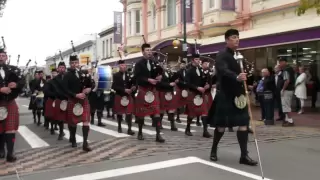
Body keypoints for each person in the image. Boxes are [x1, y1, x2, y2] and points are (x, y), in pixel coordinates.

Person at [209, 29, 257, 166]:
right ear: (227, 40)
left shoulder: (237, 56)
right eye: (234, 37)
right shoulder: (221, 55)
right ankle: (213, 150)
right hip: (225, 95)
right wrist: (236, 76)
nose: (237, 40)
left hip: (238, 96)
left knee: (243, 124)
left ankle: (244, 156)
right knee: (221, 127)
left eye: (238, 37)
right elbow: (223, 70)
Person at [133, 43, 164, 142]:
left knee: (157, 113)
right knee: (141, 114)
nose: (149, 52)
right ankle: (140, 132)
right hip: (143, 89)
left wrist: (159, 77)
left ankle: (158, 135)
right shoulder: (138, 64)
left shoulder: (154, 63)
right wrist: (148, 80)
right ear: (143, 52)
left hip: (153, 90)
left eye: (150, 50)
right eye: (147, 50)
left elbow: (157, 74)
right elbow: (137, 77)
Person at [62, 54, 93, 151]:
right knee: (73, 122)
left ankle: (85, 143)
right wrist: (75, 95)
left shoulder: (83, 72)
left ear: (78, 63)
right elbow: (65, 89)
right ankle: (73, 138)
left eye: (76, 62)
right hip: (73, 99)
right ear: (70, 64)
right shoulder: (67, 75)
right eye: (72, 63)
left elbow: (91, 83)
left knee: (86, 121)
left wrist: (89, 88)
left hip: (84, 99)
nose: (74, 65)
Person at [0, 47, 25, 162]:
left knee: (10, 128)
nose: (1, 57)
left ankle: (10, 152)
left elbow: (22, 80)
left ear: (6, 57)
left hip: (10, 101)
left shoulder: (14, 69)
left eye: (3, 55)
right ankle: (1, 150)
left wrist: (16, 84)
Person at [184, 54, 212, 138]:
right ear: (192, 60)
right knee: (192, 113)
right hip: (193, 93)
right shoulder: (189, 71)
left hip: (201, 94)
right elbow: (187, 83)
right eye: (196, 59)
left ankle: (205, 131)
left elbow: (203, 80)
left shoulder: (200, 70)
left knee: (204, 112)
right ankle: (187, 129)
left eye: (198, 59)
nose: (198, 61)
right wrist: (197, 87)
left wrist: (206, 85)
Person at [111, 60, 135, 135]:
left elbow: (134, 83)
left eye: (124, 65)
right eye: (122, 65)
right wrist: (124, 90)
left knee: (129, 113)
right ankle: (119, 126)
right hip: (120, 95)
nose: (123, 67)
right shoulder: (116, 75)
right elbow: (114, 86)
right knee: (119, 113)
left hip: (128, 96)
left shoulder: (130, 74)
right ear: (119, 66)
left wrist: (134, 87)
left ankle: (129, 129)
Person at [51, 61, 68, 140]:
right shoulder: (55, 79)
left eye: (63, 68)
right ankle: (61, 132)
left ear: (65, 68)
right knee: (60, 119)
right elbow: (56, 90)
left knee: (70, 119)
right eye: (60, 68)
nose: (61, 69)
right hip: (60, 99)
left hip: (68, 99)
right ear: (58, 69)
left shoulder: (68, 77)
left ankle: (72, 136)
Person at [278, 57, 295, 127]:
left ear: (284, 62)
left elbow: (287, 80)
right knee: (286, 105)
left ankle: (290, 121)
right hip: (290, 90)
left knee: (286, 106)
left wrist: (283, 89)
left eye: (280, 62)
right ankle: (287, 119)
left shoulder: (286, 70)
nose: (279, 64)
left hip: (287, 90)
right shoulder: (290, 69)